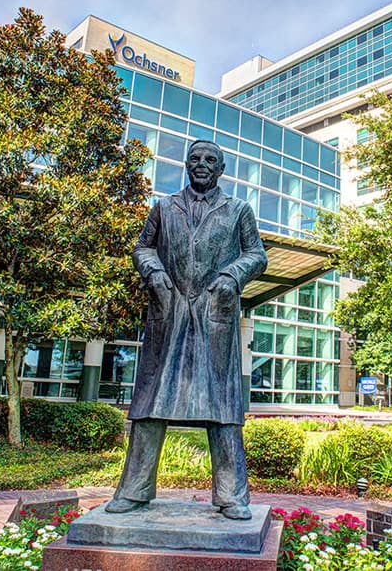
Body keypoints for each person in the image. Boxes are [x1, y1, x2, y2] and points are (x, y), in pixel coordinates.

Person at [105, 140, 267, 520]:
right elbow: (142, 248)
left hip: (214, 312)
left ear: (221, 168)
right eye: (195, 158)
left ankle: (231, 496)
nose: (201, 164)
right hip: (170, 309)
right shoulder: (164, 207)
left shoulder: (238, 210)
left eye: (210, 160)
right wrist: (154, 273)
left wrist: (232, 276)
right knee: (150, 403)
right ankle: (134, 491)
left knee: (223, 408)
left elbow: (256, 255)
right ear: (186, 164)